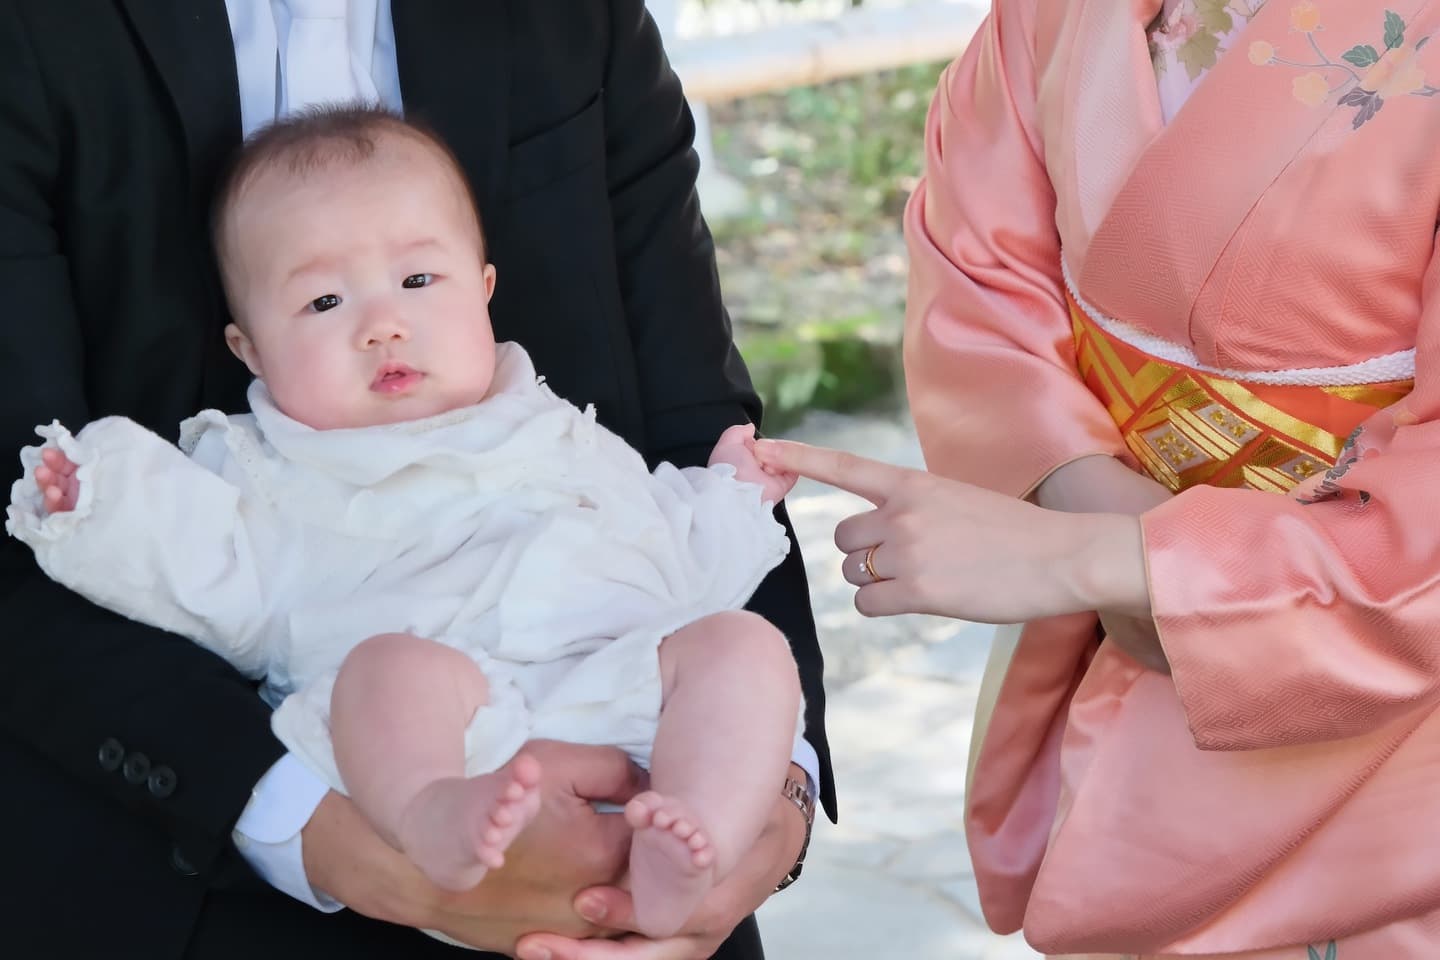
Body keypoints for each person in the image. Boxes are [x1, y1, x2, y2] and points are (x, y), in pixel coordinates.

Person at [0, 3, 833, 958]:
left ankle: (703, 837)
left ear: (484, 288)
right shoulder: (255, 468)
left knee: (739, 648)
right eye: (322, 301)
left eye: (419, 285)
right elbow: (182, 547)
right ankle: (439, 814)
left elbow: (686, 474)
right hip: (279, 809)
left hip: (630, 736)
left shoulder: (555, 424)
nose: (382, 325)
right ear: (248, 352)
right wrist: (89, 501)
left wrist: (777, 805)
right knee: (390, 674)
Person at [753, 0, 1440, 956]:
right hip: (1101, 572)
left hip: (1376, 658)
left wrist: (1132, 562)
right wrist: (1086, 506)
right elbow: (979, 268)